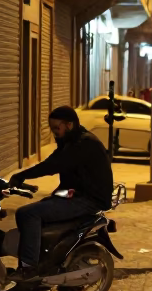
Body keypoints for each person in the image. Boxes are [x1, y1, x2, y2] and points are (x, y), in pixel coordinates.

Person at [9, 106, 113, 275]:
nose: (55, 133)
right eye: (52, 129)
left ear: (69, 125)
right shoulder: (71, 142)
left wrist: (22, 175)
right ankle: (45, 260)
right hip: (74, 194)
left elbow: (53, 165)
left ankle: (28, 268)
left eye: (57, 128)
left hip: (88, 200)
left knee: (29, 214)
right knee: (33, 211)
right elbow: (53, 161)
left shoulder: (84, 144)